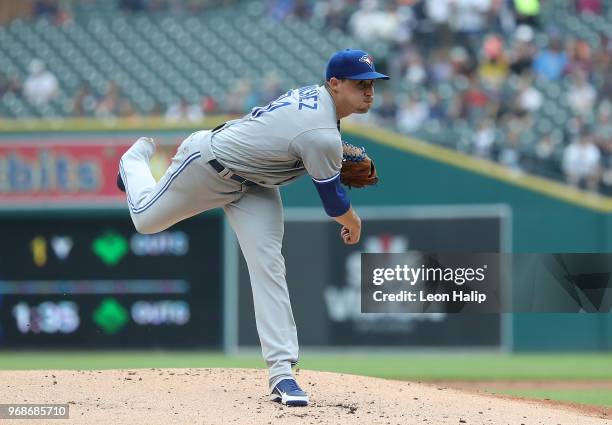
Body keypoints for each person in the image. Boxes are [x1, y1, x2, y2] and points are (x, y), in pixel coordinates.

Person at [117, 49, 389, 406]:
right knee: (145, 219)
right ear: (334, 84)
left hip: (255, 186)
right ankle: (133, 162)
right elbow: (335, 204)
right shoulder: (320, 134)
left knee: (269, 268)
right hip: (207, 166)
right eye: (360, 84)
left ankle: (282, 375)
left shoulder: (321, 109)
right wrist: (353, 222)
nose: (369, 91)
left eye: (372, 84)